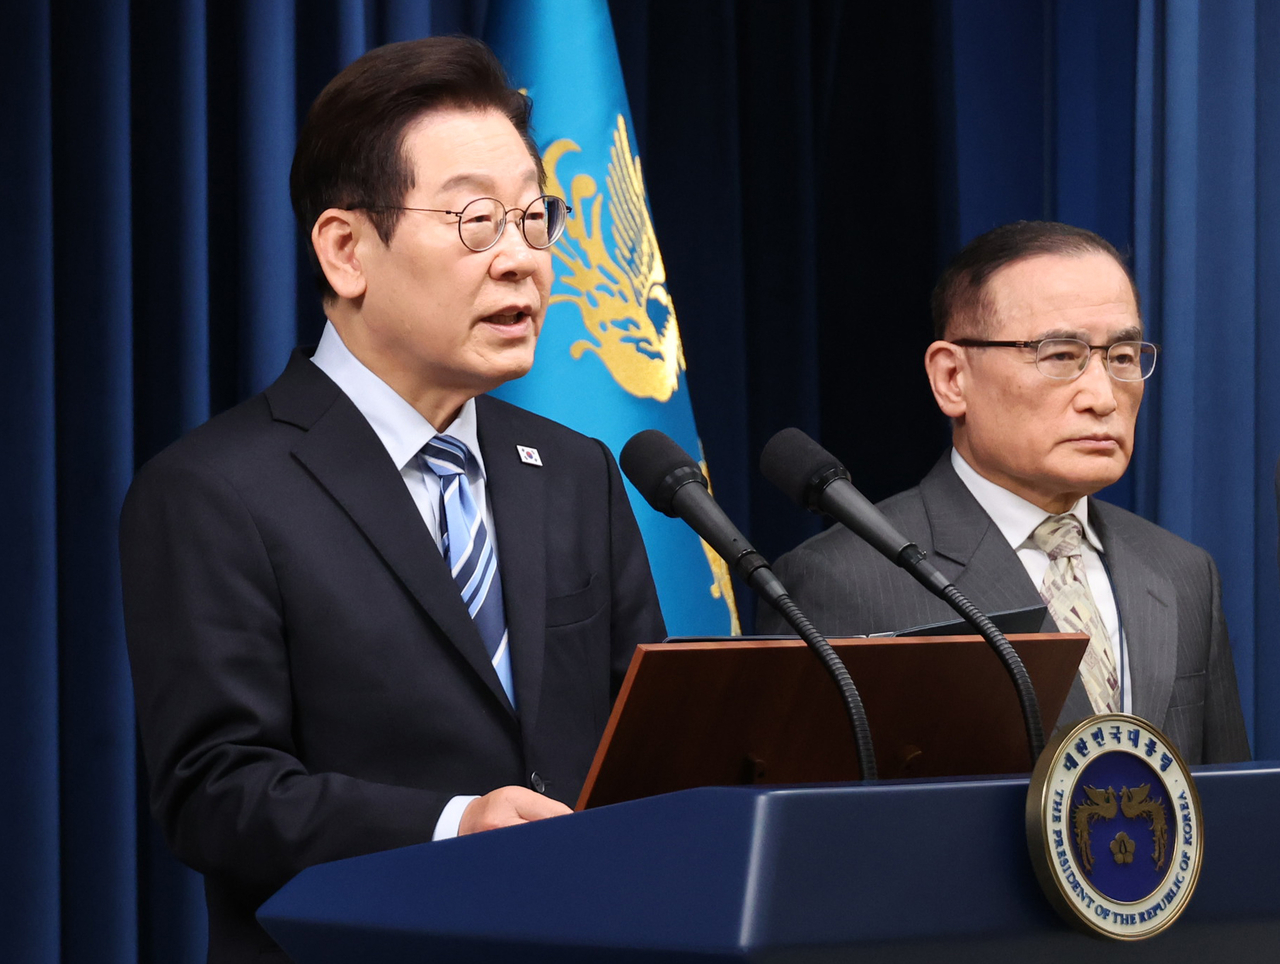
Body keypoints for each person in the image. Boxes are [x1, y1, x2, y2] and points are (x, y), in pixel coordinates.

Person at [120, 37, 665, 962]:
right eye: (475, 221)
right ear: (345, 250)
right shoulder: (215, 491)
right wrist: (456, 824)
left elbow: (642, 740)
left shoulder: (577, 472)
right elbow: (216, 794)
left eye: (537, 219)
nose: (523, 261)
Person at [759, 220, 1249, 765]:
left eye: (1123, 357)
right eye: (1061, 355)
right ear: (952, 378)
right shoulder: (846, 579)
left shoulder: (1183, 573)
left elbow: (1225, 817)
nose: (1103, 397)